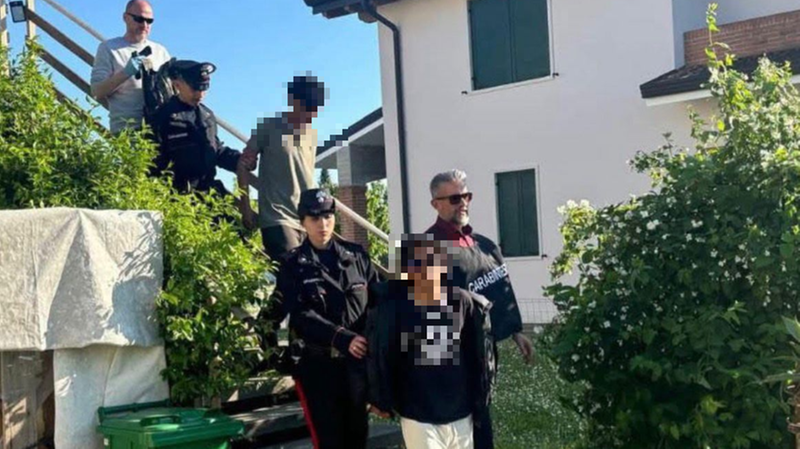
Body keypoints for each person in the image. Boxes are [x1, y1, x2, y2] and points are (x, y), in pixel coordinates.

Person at [425, 169, 534, 449]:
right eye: (454, 198)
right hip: (450, 362)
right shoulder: (423, 249)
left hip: (483, 355)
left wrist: (515, 331)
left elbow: (500, 290)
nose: (463, 203)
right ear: (435, 204)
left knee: (483, 428)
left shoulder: (484, 245)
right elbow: (417, 314)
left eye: (467, 196)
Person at [273, 188, 380, 449]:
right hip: (319, 367)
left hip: (356, 366)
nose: (323, 224)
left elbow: (377, 302)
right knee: (329, 442)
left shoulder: (356, 256)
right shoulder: (292, 264)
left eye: (328, 217)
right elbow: (300, 314)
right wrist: (341, 337)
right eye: (315, 218)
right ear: (303, 222)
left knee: (357, 439)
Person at [367, 234, 495, 449]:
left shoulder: (462, 302)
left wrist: (480, 398)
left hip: (461, 411)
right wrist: (380, 398)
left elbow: (476, 354)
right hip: (418, 413)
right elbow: (384, 354)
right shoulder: (393, 307)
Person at [236, 75, 325, 260]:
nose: (311, 114)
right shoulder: (269, 127)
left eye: (315, 109)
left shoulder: (312, 135)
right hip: (277, 218)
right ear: (293, 101)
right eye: (307, 107)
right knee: (294, 270)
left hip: (306, 219)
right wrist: (245, 207)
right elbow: (243, 166)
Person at [150, 60, 241, 195]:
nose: (200, 94)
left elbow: (215, 150)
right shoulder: (162, 117)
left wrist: (240, 160)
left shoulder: (207, 116)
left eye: (203, 89)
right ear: (177, 85)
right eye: (195, 89)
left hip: (207, 191)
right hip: (175, 194)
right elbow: (152, 160)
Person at [90, 0, 171, 134]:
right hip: (127, 131)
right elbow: (96, 91)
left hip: (160, 130)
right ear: (125, 18)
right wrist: (126, 73)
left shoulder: (160, 51)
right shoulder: (109, 48)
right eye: (139, 19)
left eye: (149, 21)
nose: (144, 25)